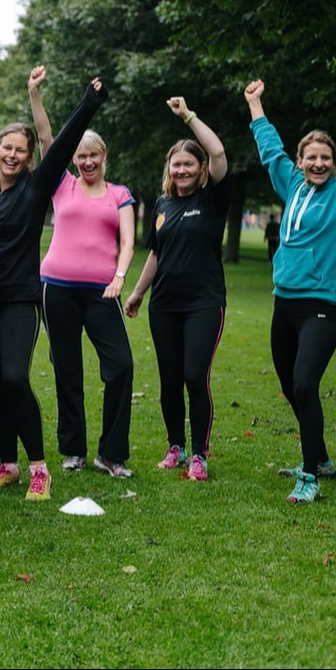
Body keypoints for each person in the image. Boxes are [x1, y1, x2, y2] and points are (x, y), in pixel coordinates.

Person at [0, 46, 108, 501]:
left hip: (17, 299)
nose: (11, 155)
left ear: (30, 156)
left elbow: (66, 144)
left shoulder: (37, 185)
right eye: (5, 148)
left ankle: (37, 467)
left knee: (14, 378)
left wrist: (89, 102)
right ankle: (8, 464)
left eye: (20, 150)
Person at [28, 65, 135, 477]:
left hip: (102, 292)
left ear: (104, 157)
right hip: (56, 288)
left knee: (121, 366)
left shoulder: (119, 194)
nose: (87, 161)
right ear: (74, 158)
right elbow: (45, 139)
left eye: (93, 155)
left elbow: (127, 242)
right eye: (81, 156)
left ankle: (111, 454)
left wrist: (120, 278)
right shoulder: (62, 185)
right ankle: (72, 449)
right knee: (67, 370)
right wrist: (35, 94)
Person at [244, 79, 336, 504]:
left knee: (305, 384)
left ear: (334, 163)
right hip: (283, 305)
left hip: (320, 307)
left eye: (325, 158)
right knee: (290, 385)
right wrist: (255, 104)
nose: (317, 164)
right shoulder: (292, 185)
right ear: (301, 162)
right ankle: (319, 458)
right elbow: (270, 149)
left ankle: (310, 478)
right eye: (311, 158)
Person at [124, 97, 229, 482]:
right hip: (164, 303)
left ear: (201, 169)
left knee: (193, 375)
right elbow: (156, 253)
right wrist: (137, 294)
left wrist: (188, 117)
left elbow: (217, 149)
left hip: (204, 303)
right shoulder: (164, 205)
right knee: (169, 378)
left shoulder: (214, 199)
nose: (182, 169)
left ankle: (199, 454)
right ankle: (176, 447)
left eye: (189, 163)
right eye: (176, 164)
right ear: (169, 168)